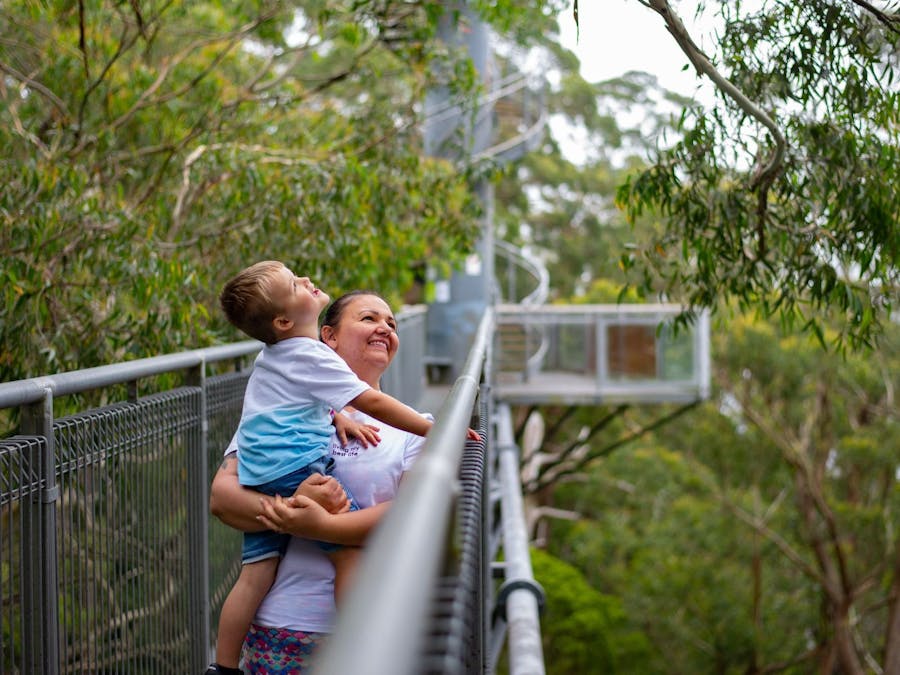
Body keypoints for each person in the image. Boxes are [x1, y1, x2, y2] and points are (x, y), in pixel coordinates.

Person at [207, 264, 440, 675]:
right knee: (338, 558)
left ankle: (221, 667)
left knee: (256, 572)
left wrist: (316, 524)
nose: (385, 327)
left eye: (392, 322)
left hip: (366, 641)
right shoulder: (284, 409)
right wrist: (299, 506)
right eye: (368, 318)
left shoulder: (405, 431)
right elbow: (222, 500)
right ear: (327, 336)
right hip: (279, 626)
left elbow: (409, 518)